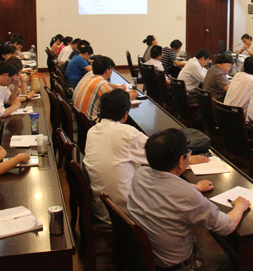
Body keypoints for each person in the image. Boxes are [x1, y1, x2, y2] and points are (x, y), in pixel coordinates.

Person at [128, 128, 250, 270]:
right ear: (181, 161)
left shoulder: (141, 173)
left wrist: (195, 187)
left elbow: (164, 189)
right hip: (179, 266)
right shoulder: (187, 196)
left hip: (145, 255)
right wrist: (240, 206)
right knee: (233, 261)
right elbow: (226, 227)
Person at [85, 90, 209, 225]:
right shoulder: (126, 133)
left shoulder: (92, 131)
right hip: (126, 214)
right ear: (125, 114)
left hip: (103, 207)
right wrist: (189, 162)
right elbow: (162, 156)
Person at [72, 56, 138, 121]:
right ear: (107, 70)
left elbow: (107, 86)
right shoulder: (101, 85)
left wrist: (123, 91)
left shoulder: (90, 75)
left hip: (80, 118)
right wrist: (129, 97)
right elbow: (115, 103)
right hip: (91, 121)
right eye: (112, 69)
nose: (112, 71)